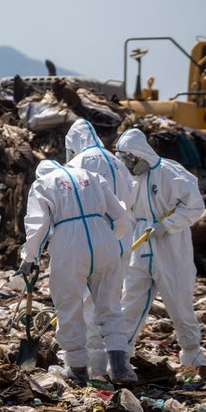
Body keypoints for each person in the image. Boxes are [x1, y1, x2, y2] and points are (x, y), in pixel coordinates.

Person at [19, 160, 135, 385]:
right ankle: (121, 367)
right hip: (103, 238)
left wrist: (29, 258)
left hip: (69, 244)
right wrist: (108, 238)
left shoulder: (42, 183)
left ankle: (78, 369)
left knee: (69, 305)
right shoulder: (90, 176)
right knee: (110, 304)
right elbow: (120, 216)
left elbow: (38, 225)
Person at [115, 128, 206, 366]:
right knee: (131, 299)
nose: (129, 165)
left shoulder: (170, 172)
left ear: (140, 153)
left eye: (131, 159)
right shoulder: (132, 180)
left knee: (178, 300)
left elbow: (194, 206)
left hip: (170, 245)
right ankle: (121, 355)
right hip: (141, 244)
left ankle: (192, 357)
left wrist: (167, 224)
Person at [64, 118, 134, 378]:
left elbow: (70, 195)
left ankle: (92, 366)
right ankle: (118, 364)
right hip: (120, 236)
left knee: (86, 302)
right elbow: (129, 198)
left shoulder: (82, 161)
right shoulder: (116, 161)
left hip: (91, 237)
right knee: (111, 301)